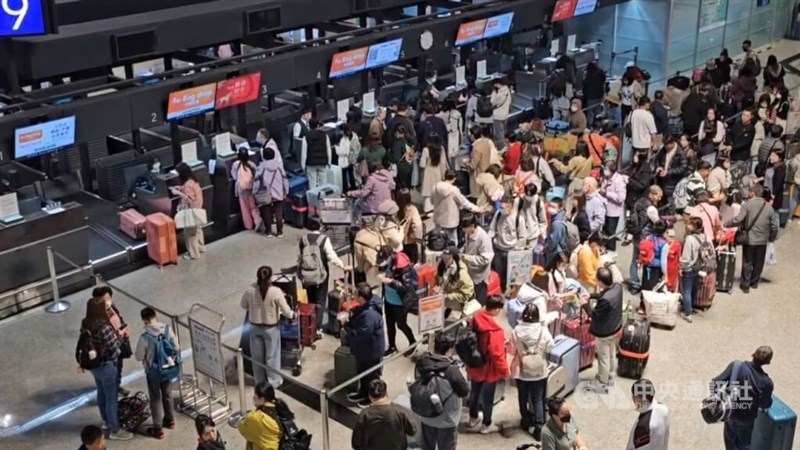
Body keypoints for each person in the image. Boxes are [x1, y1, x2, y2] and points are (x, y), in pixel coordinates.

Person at [81, 298, 132, 440]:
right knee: (111, 398)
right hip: (107, 365)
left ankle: (105, 421)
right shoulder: (104, 328)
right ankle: (115, 429)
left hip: (93, 365)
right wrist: (120, 336)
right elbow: (115, 350)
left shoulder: (85, 323)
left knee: (101, 391)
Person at [711, 346, 774, 450]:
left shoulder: (736, 366)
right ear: (768, 362)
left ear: (753, 354)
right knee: (743, 446)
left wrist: (721, 400)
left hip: (730, 414)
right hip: (746, 420)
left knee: (729, 442)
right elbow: (765, 404)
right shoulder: (767, 383)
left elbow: (714, 383)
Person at [241, 266, 295, 387]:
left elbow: (243, 305)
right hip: (271, 328)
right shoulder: (275, 291)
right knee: (272, 356)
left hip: (254, 327)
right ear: (270, 278)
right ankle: (274, 381)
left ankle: (259, 381)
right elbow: (286, 311)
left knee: (257, 357)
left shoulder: (250, 290)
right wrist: (292, 314)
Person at [414, 333, 470, 450]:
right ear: (450, 350)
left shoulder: (422, 362)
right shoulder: (452, 371)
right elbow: (464, 392)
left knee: (427, 445)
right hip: (446, 419)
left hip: (426, 414)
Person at [510, 303, 555, 439]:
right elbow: (550, 347)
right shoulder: (543, 331)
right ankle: (539, 426)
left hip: (521, 370)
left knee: (522, 397)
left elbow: (511, 350)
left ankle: (525, 420)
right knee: (537, 399)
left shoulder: (516, 331)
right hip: (539, 370)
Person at [465, 295, 510, 434]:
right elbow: (497, 355)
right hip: (488, 368)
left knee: (474, 391)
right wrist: (505, 372)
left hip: (474, 363)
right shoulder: (494, 331)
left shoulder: (475, 318)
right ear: (496, 310)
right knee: (487, 397)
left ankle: (472, 418)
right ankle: (486, 424)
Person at [133, 306, 179, 439]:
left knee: (155, 398)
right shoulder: (167, 329)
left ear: (144, 320)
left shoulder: (145, 337)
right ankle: (170, 420)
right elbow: (176, 347)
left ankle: (158, 428)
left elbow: (138, 356)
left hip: (153, 372)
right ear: (155, 316)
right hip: (168, 368)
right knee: (167, 394)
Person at [298, 217, 350, 335]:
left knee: (310, 299)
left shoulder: (303, 239)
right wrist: (342, 266)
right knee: (320, 299)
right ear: (320, 226)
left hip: (306, 274)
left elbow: (301, 256)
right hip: (321, 274)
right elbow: (331, 256)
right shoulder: (323, 240)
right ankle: (317, 327)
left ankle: (309, 323)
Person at [724, 184, 778, 293]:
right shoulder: (768, 207)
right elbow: (774, 226)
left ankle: (745, 285)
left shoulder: (747, 205)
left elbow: (738, 220)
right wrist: (771, 238)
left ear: (753, 193)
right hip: (762, 240)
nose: (748, 193)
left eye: (749, 191)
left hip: (749, 239)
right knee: (759, 262)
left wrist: (726, 224)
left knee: (747, 261)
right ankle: (754, 282)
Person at [581, 267, 623, 393]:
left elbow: (594, 314)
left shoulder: (605, 301)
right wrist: (592, 295)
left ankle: (602, 383)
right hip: (615, 327)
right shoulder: (617, 287)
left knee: (603, 357)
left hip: (604, 332)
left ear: (600, 282)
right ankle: (610, 376)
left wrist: (584, 304)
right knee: (611, 352)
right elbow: (604, 294)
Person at [345, 283, 387, 406]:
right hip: (365, 350)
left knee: (371, 376)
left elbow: (361, 334)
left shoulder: (369, 316)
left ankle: (371, 398)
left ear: (362, 298)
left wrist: (346, 326)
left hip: (371, 351)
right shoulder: (369, 304)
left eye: (356, 294)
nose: (354, 296)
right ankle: (363, 392)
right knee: (363, 372)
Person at [352, 379, 417, 450]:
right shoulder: (400, 411)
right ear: (386, 393)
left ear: (370, 396)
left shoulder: (364, 415)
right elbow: (412, 431)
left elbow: (356, 443)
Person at [377, 246, 417, 356]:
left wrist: (390, 281)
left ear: (391, 256)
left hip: (399, 301)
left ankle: (412, 342)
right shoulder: (387, 264)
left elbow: (406, 287)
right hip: (388, 299)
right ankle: (392, 346)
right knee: (389, 324)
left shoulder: (404, 267)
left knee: (401, 324)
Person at [92, 286, 130, 398]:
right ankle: (110, 391)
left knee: (119, 368)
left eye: (108, 297)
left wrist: (124, 328)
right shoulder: (96, 317)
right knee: (111, 371)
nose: (107, 301)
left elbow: (119, 318)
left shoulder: (112, 307)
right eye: (104, 299)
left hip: (119, 342)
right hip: (109, 349)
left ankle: (116, 386)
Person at [432, 170, 483, 245]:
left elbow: (431, 200)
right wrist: (476, 209)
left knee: (439, 240)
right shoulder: (454, 191)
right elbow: (464, 202)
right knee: (452, 241)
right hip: (450, 221)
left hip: (438, 219)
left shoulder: (435, 187)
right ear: (454, 179)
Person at [628, 186, 663, 295]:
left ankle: (634, 283)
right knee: (647, 260)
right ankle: (647, 282)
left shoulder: (639, 202)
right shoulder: (651, 209)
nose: (659, 198)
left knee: (634, 259)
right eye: (658, 195)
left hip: (636, 235)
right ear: (651, 194)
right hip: (646, 239)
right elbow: (657, 223)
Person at [170, 162, 205, 260]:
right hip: (198, 208)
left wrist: (178, 193)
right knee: (197, 229)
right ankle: (201, 247)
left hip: (191, 211)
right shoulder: (193, 180)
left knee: (190, 233)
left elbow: (189, 199)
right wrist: (181, 188)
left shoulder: (187, 186)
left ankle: (193, 254)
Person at [237, 382, 286, 450]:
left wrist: (246, 418)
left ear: (262, 399)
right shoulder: (280, 408)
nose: (253, 397)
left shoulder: (257, 418)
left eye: (255, 395)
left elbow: (242, 428)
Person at [254, 146, 288, 238]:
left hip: (266, 193)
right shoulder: (279, 166)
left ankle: (268, 232)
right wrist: (286, 190)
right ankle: (280, 232)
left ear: (264, 156)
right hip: (278, 192)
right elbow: (284, 179)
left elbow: (256, 182)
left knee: (266, 212)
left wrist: (255, 192)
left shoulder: (260, 167)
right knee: (278, 212)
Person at [626, 379, 670, 450]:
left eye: (634, 396)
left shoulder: (643, 426)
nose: (633, 398)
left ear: (642, 399)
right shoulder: (663, 408)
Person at [460, 213, 494, 305]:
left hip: (480, 276)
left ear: (472, 226)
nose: (463, 230)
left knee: (478, 302)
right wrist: (461, 251)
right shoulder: (469, 233)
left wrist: (466, 257)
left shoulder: (483, 238)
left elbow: (486, 259)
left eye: (465, 228)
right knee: (470, 300)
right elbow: (466, 245)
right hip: (470, 272)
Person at [679, 217, 705, 323]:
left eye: (689, 224)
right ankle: (690, 306)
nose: (687, 226)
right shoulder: (703, 236)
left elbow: (686, 257)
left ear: (693, 227)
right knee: (694, 288)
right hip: (699, 267)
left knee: (687, 290)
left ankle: (687, 313)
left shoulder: (690, 239)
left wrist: (682, 266)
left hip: (689, 267)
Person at [436, 247, 475, 317]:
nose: (445, 260)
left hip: (456, 305)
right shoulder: (443, 266)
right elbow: (439, 279)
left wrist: (447, 296)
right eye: (444, 257)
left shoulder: (462, 274)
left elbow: (466, 295)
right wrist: (438, 287)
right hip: (444, 299)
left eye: (448, 258)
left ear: (455, 259)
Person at [653, 137, 689, 206]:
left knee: (671, 200)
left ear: (672, 143)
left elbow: (683, 168)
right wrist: (658, 167)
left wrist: (669, 172)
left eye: (668, 145)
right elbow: (657, 159)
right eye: (665, 145)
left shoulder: (680, 153)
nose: (667, 147)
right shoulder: (663, 150)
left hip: (674, 181)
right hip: (663, 180)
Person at [230, 148, 260, 230]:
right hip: (251, 189)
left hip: (241, 190)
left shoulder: (236, 164)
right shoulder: (251, 164)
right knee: (253, 207)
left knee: (245, 209)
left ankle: (249, 225)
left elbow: (234, 176)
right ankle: (258, 222)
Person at [600, 161, 627, 251]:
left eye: (606, 169)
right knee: (605, 231)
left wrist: (607, 193)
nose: (604, 171)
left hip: (613, 211)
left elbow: (621, 198)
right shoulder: (606, 178)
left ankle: (612, 250)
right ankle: (605, 248)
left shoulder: (619, 181)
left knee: (611, 233)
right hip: (604, 209)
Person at [419, 133, 449, 212]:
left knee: (428, 194)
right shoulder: (441, 149)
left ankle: (428, 210)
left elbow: (422, 164)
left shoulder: (425, 150)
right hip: (438, 172)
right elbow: (443, 163)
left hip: (428, 173)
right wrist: (443, 174)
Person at [301, 118, 332, 188]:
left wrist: (303, 165)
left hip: (311, 163)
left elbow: (304, 153)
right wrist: (329, 162)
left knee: (312, 183)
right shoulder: (325, 135)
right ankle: (323, 198)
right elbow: (328, 149)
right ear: (318, 125)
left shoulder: (306, 137)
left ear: (309, 126)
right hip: (323, 163)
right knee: (323, 183)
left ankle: (313, 198)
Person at [517, 182, 549, 248]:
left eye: (530, 196)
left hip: (533, 236)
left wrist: (540, 232)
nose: (529, 197)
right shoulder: (519, 201)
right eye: (527, 195)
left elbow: (543, 221)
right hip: (520, 236)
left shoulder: (539, 203)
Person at [397, 188, 423, 264]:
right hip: (409, 241)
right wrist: (417, 238)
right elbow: (417, 225)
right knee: (410, 264)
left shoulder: (395, 209)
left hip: (397, 242)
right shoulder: (412, 209)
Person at [469, 125, 495, 196]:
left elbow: (473, 166)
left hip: (478, 174)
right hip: (487, 169)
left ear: (473, 136)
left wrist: (466, 162)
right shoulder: (486, 142)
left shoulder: (476, 148)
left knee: (477, 194)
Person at [491, 77, 513, 149]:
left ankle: (503, 148)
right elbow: (509, 102)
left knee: (498, 134)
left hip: (498, 116)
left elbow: (492, 102)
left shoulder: (499, 94)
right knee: (503, 132)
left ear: (497, 84)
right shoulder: (507, 91)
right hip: (505, 115)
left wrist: (494, 92)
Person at [335, 124, 358, 193]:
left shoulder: (341, 139)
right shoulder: (354, 135)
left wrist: (336, 148)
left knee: (344, 176)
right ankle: (353, 188)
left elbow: (340, 151)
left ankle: (346, 190)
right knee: (351, 174)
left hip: (344, 160)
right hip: (352, 158)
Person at [583, 62, 607, 126]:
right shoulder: (600, 72)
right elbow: (604, 80)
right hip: (599, 95)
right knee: (598, 111)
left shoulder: (587, 75)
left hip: (590, 97)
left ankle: (590, 125)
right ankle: (598, 125)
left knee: (590, 112)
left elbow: (585, 85)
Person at [788, 150, 800, 225]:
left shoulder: (798, 157)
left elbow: (791, 166)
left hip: (798, 182)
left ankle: (789, 218)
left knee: (794, 200)